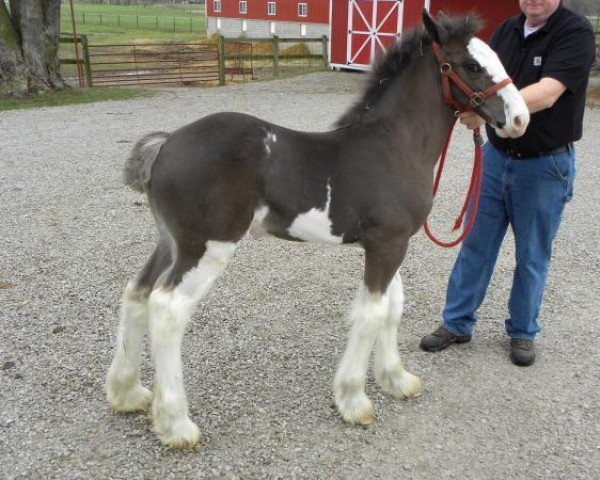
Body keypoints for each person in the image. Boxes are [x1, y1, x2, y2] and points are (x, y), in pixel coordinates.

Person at [420, 0, 596, 366]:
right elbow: (482, 79)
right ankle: (457, 322)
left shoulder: (574, 32)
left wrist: (482, 107)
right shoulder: (507, 30)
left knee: (532, 254)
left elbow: (548, 93)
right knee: (475, 244)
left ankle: (522, 331)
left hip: (544, 165)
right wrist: (472, 104)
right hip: (497, 159)